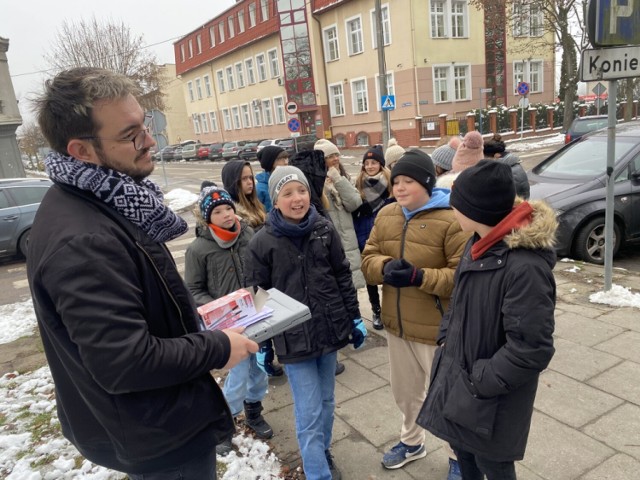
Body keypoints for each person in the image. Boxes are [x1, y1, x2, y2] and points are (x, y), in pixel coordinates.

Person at [27, 67, 257, 479]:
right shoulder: (84, 240)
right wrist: (218, 348)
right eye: (131, 134)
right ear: (82, 151)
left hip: (156, 423)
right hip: (160, 439)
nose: (150, 141)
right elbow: (124, 363)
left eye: (144, 125)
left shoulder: (107, 200)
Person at [417, 160, 557, 480]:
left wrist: (479, 379)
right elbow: (460, 299)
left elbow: (531, 348)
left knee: (492, 467)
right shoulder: (479, 243)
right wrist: (446, 338)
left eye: (457, 204)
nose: (452, 210)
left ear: (476, 209)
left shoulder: (525, 268)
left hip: (489, 397)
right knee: (465, 458)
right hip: (462, 379)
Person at [244, 166, 366, 480]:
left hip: (329, 329)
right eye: (288, 193)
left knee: (326, 401)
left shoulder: (324, 229)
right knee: (308, 409)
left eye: (301, 191)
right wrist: (261, 342)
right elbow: (257, 296)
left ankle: (322, 450)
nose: (297, 198)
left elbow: (342, 275)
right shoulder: (262, 243)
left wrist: (354, 317)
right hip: (293, 338)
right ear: (275, 200)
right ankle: (316, 473)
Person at [361, 149, 470, 471]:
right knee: (406, 394)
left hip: (437, 329)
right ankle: (412, 442)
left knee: (447, 397)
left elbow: (460, 277)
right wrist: (384, 267)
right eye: (396, 181)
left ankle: (458, 457)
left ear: (426, 182)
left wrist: (419, 277)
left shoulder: (451, 219)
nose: (400, 188)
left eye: (408, 181)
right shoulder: (386, 215)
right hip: (397, 325)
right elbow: (367, 259)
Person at [184, 186, 273, 456]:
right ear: (207, 218)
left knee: (257, 368)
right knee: (240, 372)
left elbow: (263, 265)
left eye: (228, 209)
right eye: (218, 211)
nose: (226, 215)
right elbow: (193, 289)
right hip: (227, 323)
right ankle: (224, 422)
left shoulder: (249, 234)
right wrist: (217, 307)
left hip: (255, 315)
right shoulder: (198, 249)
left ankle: (254, 412)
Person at [221, 160, 285, 378]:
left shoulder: (255, 204)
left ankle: (265, 356)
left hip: (265, 269)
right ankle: (263, 358)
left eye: (251, 177)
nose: (250, 182)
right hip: (250, 273)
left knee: (266, 315)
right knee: (257, 320)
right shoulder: (232, 213)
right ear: (233, 182)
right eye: (244, 179)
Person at [314, 138, 366, 290]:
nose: (336, 158)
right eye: (330, 156)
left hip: (349, 242)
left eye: (337, 154)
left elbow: (354, 203)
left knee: (351, 287)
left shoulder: (343, 178)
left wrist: (337, 179)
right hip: (330, 243)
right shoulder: (316, 183)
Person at [352, 145, 393, 330]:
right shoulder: (358, 184)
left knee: (388, 271)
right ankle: (376, 309)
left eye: (374, 162)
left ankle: (389, 309)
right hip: (363, 232)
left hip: (385, 231)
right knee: (370, 273)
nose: (370, 166)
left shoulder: (390, 184)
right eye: (366, 163)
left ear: (380, 164)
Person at [483, 133, 530, 199]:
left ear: (497, 155)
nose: (485, 161)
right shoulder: (512, 164)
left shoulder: (504, 172)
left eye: (487, 158)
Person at [255, 145, 289, 212]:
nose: (286, 162)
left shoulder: (289, 181)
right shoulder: (260, 189)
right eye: (281, 159)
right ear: (270, 162)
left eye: (286, 158)